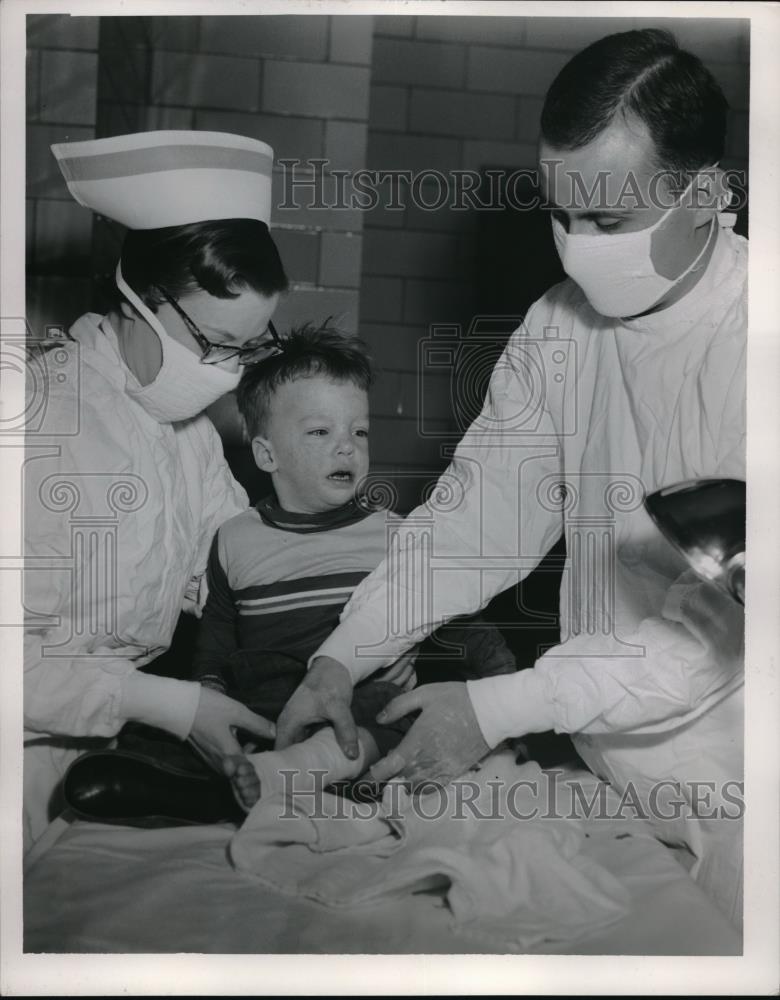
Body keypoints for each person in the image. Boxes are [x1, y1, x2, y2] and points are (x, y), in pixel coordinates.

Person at [273, 29, 747, 926]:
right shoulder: (559, 325)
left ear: (708, 196)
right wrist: (343, 654)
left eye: (610, 222)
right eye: (561, 214)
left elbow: (711, 635)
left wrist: (495, 708)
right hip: (613, 759)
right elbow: (474, 524)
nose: (576, 250)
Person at [63, 325, 519, 819]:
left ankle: (287, 776)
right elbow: (216, 640)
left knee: (396, 718)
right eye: (321, 432)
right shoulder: (235, 538)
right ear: (266, 454)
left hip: (364, 711)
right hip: (266, 706)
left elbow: (459, 619)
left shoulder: (395, 534)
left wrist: (500, 698)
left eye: (358, 431)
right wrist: (210, 691)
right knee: (150, 740)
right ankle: (239, 778)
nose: (347, 447)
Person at [23, 130, 290, 850]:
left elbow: (240, 564)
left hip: (100, 762)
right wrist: (169, 706)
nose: (231, 372)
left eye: (251, 346)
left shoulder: (189, 435)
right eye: (214, 343)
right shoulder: (38, 417)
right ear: (139, 299)